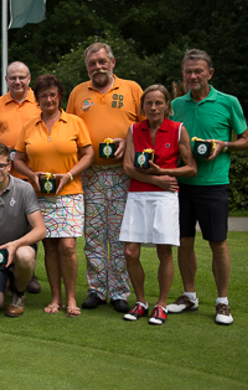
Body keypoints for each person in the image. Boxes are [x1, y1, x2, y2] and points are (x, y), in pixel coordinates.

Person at [168, 49, 248, 325]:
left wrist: (223, 145)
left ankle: (222, 301)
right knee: (184, 241)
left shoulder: (228, 102)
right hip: (181, 183)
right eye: (188, 71)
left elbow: (246, 140)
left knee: (218, 243)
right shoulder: (176, 105)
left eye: (198, 71)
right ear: (182, 74)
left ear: (210, 73)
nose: (193, 76)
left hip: (213, 184)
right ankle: (189, 295)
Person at [66, 42, 144, 313]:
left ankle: (120, 291)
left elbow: (146, 129)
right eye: (92, 63)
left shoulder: (132, 88)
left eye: (102, 62)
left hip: (124, 173)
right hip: (91, 174)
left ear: (112, 62)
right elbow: (70, 131)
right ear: (86, 67)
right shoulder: (78, 92)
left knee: (121, 234)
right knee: (95, 234)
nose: (97, 67)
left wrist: (130, 140)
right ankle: (97, 288)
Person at [14, 75, 94, 317]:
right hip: (39, 196)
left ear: (60, 96)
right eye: (43, 95)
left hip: (69, 193)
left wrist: (69, 175)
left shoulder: (75, 122)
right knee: (49, 247)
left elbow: (88, 154)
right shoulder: (29, 125)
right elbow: (17, 158)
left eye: (53, 94)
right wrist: (31, 174)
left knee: (68, 246)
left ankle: (71, 298)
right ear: (36, 98)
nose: (48, 99)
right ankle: (55, 297)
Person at [120, 85, 197, 325]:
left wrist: (165, 172)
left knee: (164, 251)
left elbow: (191, 168)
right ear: (142, 106)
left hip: (165, 197)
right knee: (130, 252)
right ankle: (141, 302)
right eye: (149, 103)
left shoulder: (178, 130)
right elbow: (127, 167)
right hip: (138, 194)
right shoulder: (134, 129)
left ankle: (161, 305)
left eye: (158, 103)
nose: (153, 107)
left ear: (167, 106)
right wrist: (156, 180)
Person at [0, 61, 43, 294]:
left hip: (32, 176)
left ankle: (28, 272)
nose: (17, 81)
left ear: (29, 78)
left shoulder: (40, 103)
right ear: (6, 80)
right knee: (5, 225)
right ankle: (3, 267)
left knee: (30, 226)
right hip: (3, 176)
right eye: (12, 78)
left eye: (22, 77)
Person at [0, 142, 46, 317]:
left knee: (25, 255)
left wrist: (14, 245)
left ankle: (18, 292)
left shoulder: (24, 189)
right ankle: (6, 278)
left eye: (1, 165)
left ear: (9, 165)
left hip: (19, 249)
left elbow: (40, 230)